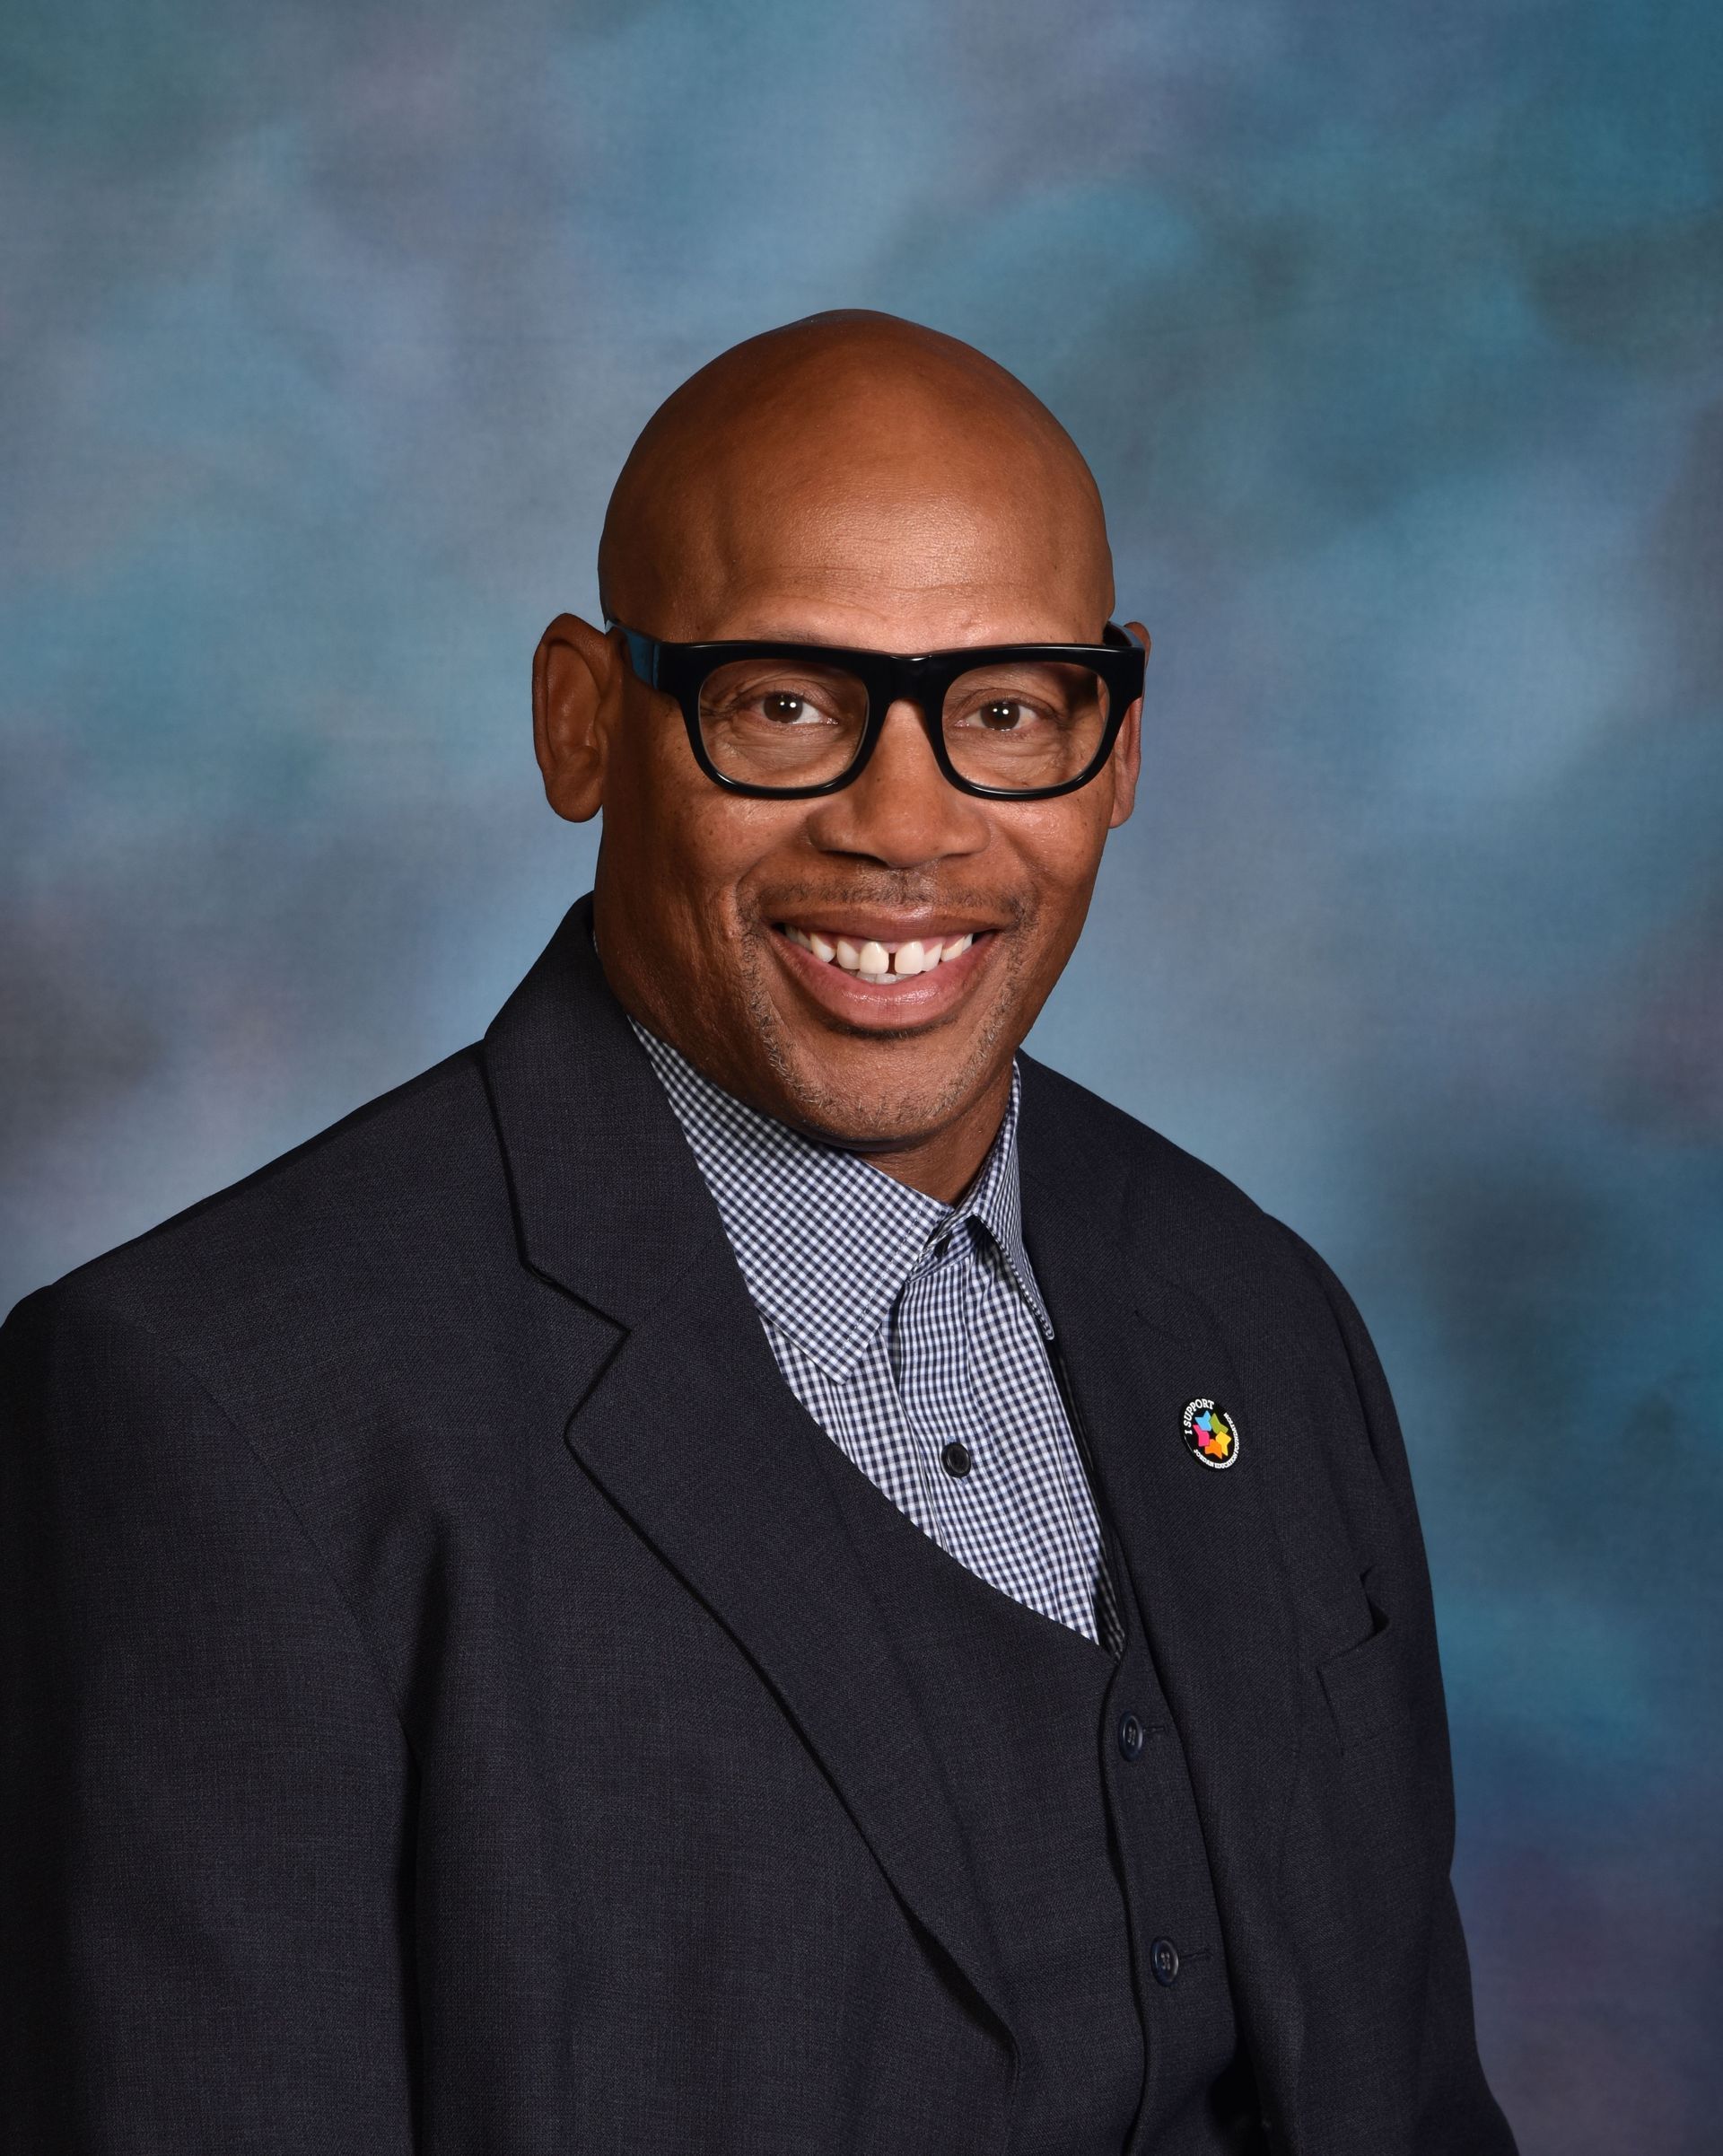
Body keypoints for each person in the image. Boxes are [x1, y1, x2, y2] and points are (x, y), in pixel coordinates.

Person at [0, 311, 1516, 2154]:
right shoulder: (220, 1416)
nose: (907, 827)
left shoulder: (1258, 1312)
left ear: (1115, 743)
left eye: (1007, 709)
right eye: (786, 703)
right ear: (584, 720)